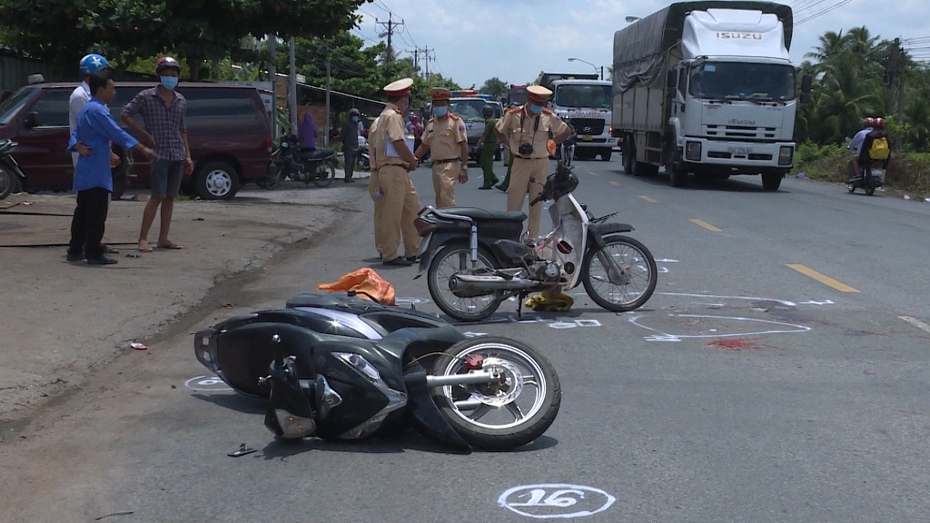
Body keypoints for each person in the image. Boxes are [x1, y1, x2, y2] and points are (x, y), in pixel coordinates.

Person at [67, 70, 155, 265]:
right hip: (96, 171)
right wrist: (141, 148)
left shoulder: (87, 109)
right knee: (96, 214)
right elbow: (116, 132)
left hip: (87, 170)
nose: (115, 92)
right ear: (101, 90)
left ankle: (75, 249)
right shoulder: (97, 111)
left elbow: (75, 134)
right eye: (112, 88)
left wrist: (75, 145)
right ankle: (93, 252)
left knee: (82, 212)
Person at [120, 56, 194, 253]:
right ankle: (143, 238)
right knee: (157, 196)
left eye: (174, 75)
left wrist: (187, 155)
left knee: (170, 197)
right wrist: (143, 134)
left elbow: (182, 129)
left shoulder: (181, 100)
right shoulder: (146, 97)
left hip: (177, 153)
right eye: (166, 75)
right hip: (158, 153)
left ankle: (163, 238)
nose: (170, 78)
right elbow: (125, 114)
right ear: (159, 76)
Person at [494, 85, 571, 240]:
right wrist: (510, 145)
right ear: (529, 100)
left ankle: (531, 242)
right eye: (536, 103)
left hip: (541, 162)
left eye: (542, 104)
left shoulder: (547, 116)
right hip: (520, 162)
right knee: (514, 203)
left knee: (536, 204)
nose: (539, 107)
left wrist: (552, 143)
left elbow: (566, 131)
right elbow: (497, 130)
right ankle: (511, 239)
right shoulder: (513, 114)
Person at [69, 53, 120, 255]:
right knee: (91, 204)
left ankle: (91, 242)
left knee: (98, 202)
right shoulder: (81, 97)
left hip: (97, 154)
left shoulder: (94, 96)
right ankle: (88, 246)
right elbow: (93, 129)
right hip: (89, 155)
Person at [368, 78, 421, 266]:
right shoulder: (393, 116)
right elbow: (397, 141)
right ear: (404, 99)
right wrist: (412, 159)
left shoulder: (385, 115)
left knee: (412, 209)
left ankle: (413, 250)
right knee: (393, 214)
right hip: (393, 169)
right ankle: (390, 254)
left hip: (397, 171)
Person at [413, 87, 468, 208]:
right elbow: (424, 145)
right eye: (436, 104)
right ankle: (443, 224)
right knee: (439, 198)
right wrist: (414, 159)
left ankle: (452, 224)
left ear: (448, 105)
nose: (439, 107)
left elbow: (463, 144)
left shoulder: (455, 122)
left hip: (450, 164)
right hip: (435, 166)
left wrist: (464, 167)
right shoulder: (432, 124)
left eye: (442, 104)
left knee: (446, 196)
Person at [476, 104, 499, 189]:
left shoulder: (489, 122)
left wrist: (478, 145)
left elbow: (484, 135)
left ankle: (487, 182)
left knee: (486, 164)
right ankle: (492, 178)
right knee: (484, 162)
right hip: (492, 144)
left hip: (489, 144)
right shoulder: (493, 121)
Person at [339, 108, 360, 183]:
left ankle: (350, 176)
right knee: (348, 162)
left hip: (355, 146)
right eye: (355, 115)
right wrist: (346, 143)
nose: (356, 117)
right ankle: (347, 177)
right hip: (348, 146)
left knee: (352, 163)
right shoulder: (346, 124)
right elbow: (342, 135)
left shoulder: (355, 124)